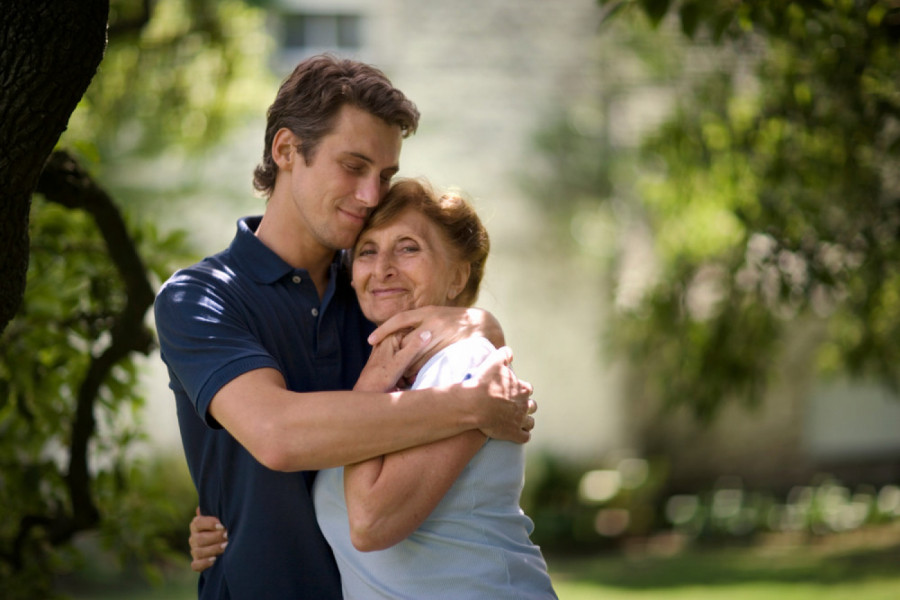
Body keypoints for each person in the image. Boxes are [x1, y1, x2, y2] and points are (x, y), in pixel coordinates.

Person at [154, 55, 535, 599]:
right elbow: (278, 435)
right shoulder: (202, 298)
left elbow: (468, 341)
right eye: (353, 167)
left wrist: (484, 323)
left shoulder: (374, 292)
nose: (372, 196)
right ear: (286, 150)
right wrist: (470, 406)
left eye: (384, 175)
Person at [193, 178, 558, 599]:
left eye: (407, 247)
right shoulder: (385, 378)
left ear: (458, 275)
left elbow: (370, 524)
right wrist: (222, 521)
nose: (383, 267)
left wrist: (371, 384)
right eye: (367, 251)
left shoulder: (465, 364)